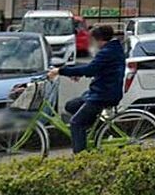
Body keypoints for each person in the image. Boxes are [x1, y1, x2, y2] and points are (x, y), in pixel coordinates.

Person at [48, 25, 124, 154]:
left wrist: (60, 71)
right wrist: (76, 73)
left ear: (99, 39)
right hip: (102, 92)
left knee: (76, 123)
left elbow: (90, 69)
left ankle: (81, 156)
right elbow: (96, 67)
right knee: (71, 106)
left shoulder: (107, 52)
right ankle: (95, 131)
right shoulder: (113, 49)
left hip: (103, 95)